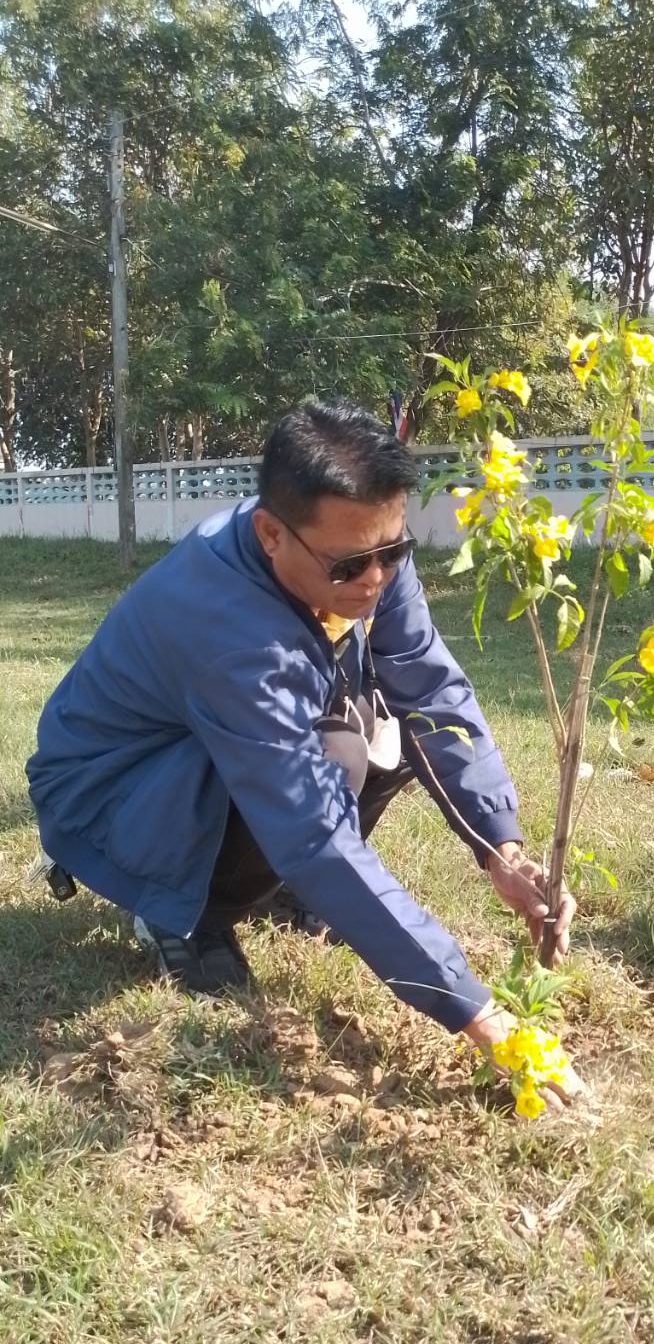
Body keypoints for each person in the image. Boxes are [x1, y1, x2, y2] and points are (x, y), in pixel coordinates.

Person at [27, 401, 581, 1105]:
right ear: (271, 534)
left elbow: (431, 693)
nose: (375, 579)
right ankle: (186, 914)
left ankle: (276, 894)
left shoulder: (357, 545)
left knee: (389, 731)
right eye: (351, 565)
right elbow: (312, 833)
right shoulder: (228, 629)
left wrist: (499, 846)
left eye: (395, 551)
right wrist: (480, 1015)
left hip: (202, 754)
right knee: (338, 754)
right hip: (112, 795)